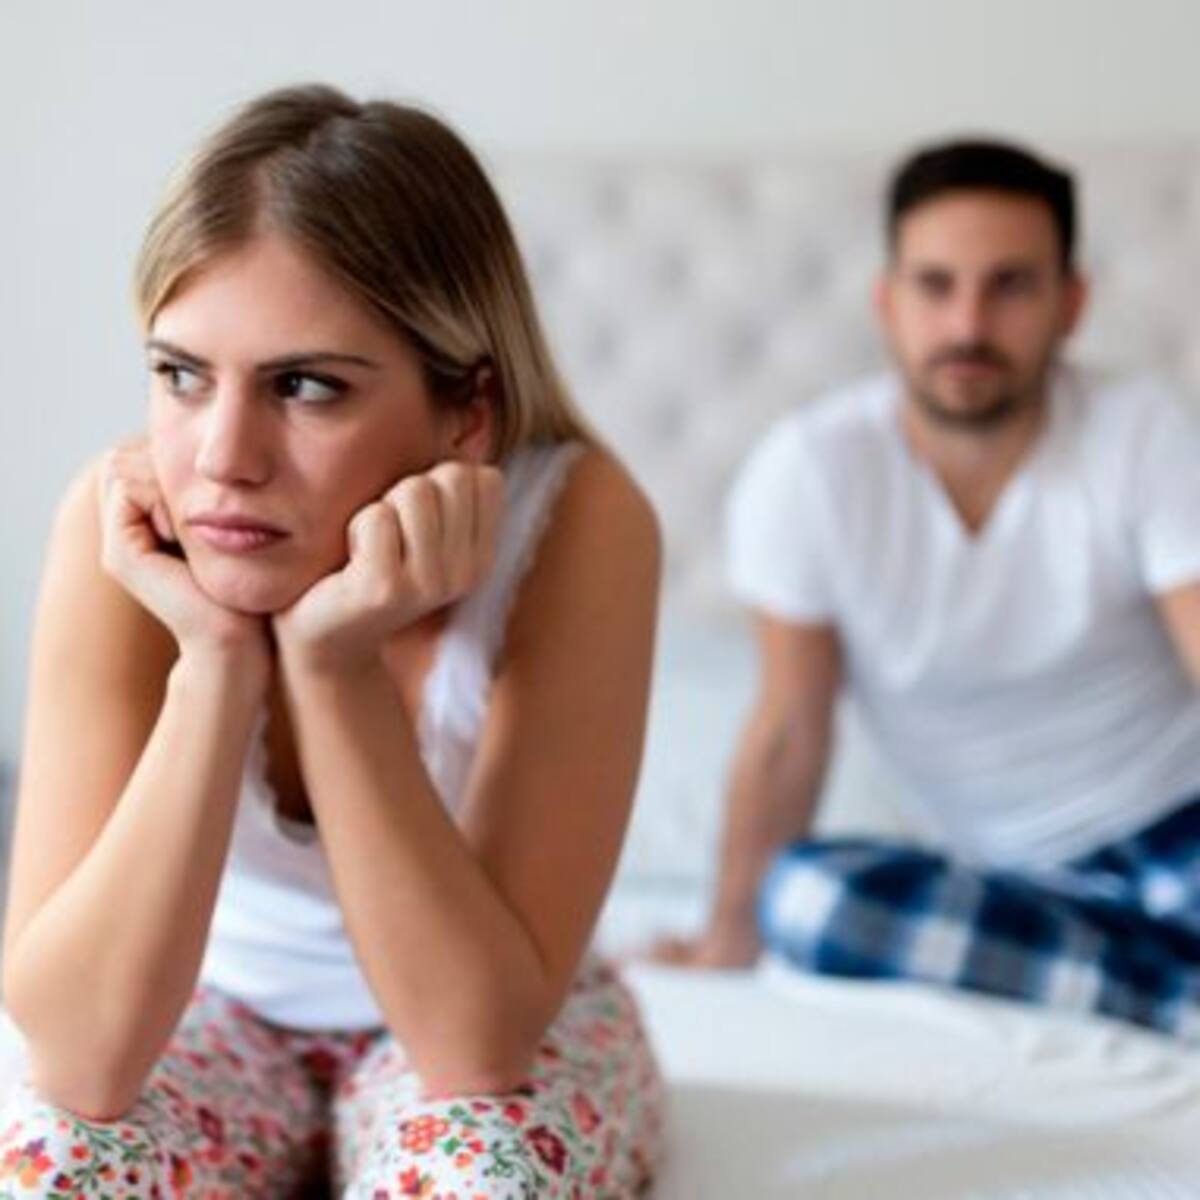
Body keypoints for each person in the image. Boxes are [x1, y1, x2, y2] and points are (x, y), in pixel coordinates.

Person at [0, 84, 663, 1197]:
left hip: (490, 1023)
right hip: (216, 1010)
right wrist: (215, 662)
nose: (224, 458)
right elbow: (80, 1058)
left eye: (305, 386)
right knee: (50, 1169)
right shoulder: (121, 528)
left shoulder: (583, 523)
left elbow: (475, 1049)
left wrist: (331, 661)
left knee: (481, 1176)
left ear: (469, 411)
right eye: (181, 375)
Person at [656, 139, 1200, 1040]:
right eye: (936, 286)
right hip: (1006, 883)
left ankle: (1137, 985)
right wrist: (727, 937)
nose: (968, 324)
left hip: (1177, 828)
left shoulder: (1143, 433)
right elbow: (789, 732)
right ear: (889, 302)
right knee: (808, 902)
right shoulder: (811, 472)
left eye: (1011, 286)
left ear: (1071, 303)